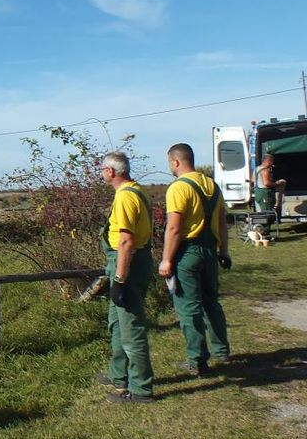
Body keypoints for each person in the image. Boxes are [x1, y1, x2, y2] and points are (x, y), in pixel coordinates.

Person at [159, 144, 232, 375]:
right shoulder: (212, 185)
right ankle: (222, 351)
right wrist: (224, 251)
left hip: (187, 252)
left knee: (189, 307)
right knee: (212, 302)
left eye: (170, 163)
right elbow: (222, 222)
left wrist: (166, 260)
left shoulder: (178, 188)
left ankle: (197, 360)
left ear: (175, 162)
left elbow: (174, 228)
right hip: (210, 250)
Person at [97, 151, 156, 404]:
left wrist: (120, 280)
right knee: (117, 323)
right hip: (130, 262)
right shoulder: (137, 190)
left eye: (102, 170)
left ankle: (141, 389)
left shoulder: (124, 197)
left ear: (111, 172)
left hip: (128, 264)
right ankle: (118, 375)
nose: (101, 173)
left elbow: (126, 241)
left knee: (131, 328)